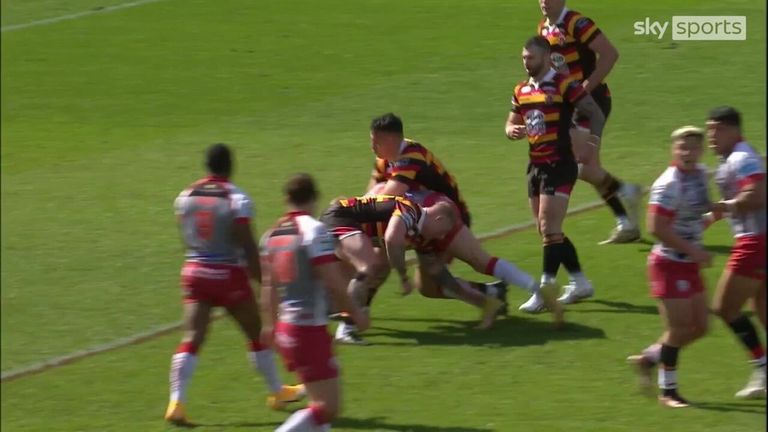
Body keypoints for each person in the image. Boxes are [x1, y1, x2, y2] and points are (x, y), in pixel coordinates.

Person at [165, 144, 304, 426]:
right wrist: (266, 282)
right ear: (230, 165)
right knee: (256, 332)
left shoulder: (185, 196)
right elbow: (248, 246)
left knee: (192, 338)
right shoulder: (236, 198)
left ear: (207, 166)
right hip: (228, 275)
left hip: (194, 271)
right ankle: (278, 392)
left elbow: (187, 235)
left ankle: (176, 402)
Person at [365, 113, 548, 317]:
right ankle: (493, 292)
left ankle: (534, 292)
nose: (372, 147)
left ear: (390, 140)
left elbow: (385, 198)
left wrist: (348, 214)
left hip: (447, 220)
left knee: (477, 263)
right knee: (427, 287)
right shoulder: (384, 160)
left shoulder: (411, 156)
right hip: (419, 223)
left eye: (376, 142)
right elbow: (370, 198)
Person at [321, 194, 518, 344]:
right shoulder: (411, 210)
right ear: (438, 219)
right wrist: (404, 277)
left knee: (363, 273)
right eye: (443, 232)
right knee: (369, 266)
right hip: (339, 217)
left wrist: (483, 303)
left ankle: (340, 317)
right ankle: (347, 328)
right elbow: (391, 238)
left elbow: (439, 275)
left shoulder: (421, 237)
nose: (442, 238)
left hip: (349, 227)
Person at [260, 173, 370, 432]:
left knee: (318, 403)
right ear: (315, 198)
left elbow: (269, 287)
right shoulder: (314, 230)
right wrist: (356, 314)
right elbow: (333, 282)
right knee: (327, 407)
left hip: (287, 329)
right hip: (306, 330)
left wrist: (270, 327)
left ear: (287, 199)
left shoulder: (272, 235)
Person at [505, 35, 600, 312]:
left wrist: (590, 144)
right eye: (523, 58)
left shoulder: (563, 84)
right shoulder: (521, 90)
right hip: (535, 165)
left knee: (548, 226)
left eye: (531, 58)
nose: (526, 63)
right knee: (547, 229)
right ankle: (580, 282)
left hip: (560, 163)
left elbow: (593, 112)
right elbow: (511, 122)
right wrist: (512, 131)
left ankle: (545, 290)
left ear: (546, 57)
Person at [536, 0, 642, 244]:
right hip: (572, 105)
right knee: (591, 167)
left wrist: (584, 89)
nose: (544, 1)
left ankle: (626, 194)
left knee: (575, 162)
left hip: (592, 102)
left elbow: (609, 54)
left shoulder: (576, 23)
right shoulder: (543, 28)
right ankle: (626, 219)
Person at [626, 127, 711, 408]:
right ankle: (668, 391)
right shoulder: (668, 183)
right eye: (682, 148)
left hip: (688, 263)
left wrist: (725, 209)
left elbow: (699, 210)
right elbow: (656, 227)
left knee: (700, 327)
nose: (688, 153)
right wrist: (694, 251)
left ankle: (648, 359)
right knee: (679, 328)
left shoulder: (699, 174)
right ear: (673, 150)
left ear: (701, 150)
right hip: (668, 264)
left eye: (693, 147)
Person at [703, 106, 766, 399]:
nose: (711, 136)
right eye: (709, 129)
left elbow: (757, 194)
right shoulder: (734, 157)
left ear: (734, 130)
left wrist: (726, 207)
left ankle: (763, 370)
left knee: (725, 308)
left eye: (717, 129)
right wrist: (714, 216)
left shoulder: (741, 157)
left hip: (755, 242)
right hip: (758, 240)